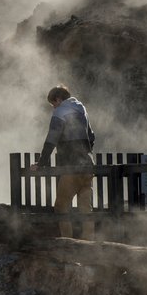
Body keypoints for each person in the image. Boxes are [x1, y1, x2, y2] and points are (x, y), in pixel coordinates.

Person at [37, 84, 96, 238]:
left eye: (53, 103)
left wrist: (41, 162)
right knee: (86, 208)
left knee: (61, 206)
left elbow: (52, 139)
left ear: (58, 99)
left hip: (71, 165)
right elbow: (91, 137)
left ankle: (67, 242)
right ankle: (88, 242)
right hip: (87, 164)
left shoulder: (60, 112)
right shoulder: (82, 109)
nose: (53, 107)